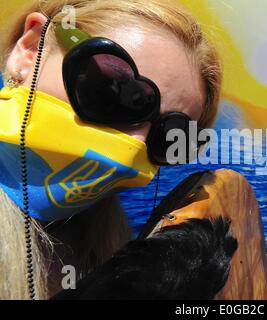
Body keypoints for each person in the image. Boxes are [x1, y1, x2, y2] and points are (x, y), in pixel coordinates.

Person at [0, 0, 221, 299]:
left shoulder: (105, 245)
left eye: (169, 137)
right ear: (30, 50)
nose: (135, 145)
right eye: (114, 91)